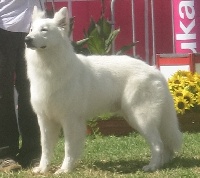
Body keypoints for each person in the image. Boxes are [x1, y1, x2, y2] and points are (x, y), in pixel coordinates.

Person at [0, 0, 44, 172]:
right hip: (3, 24)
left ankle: (32, 153)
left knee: (32, 92)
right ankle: (5, 154)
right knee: (3, 92)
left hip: (33, 27)